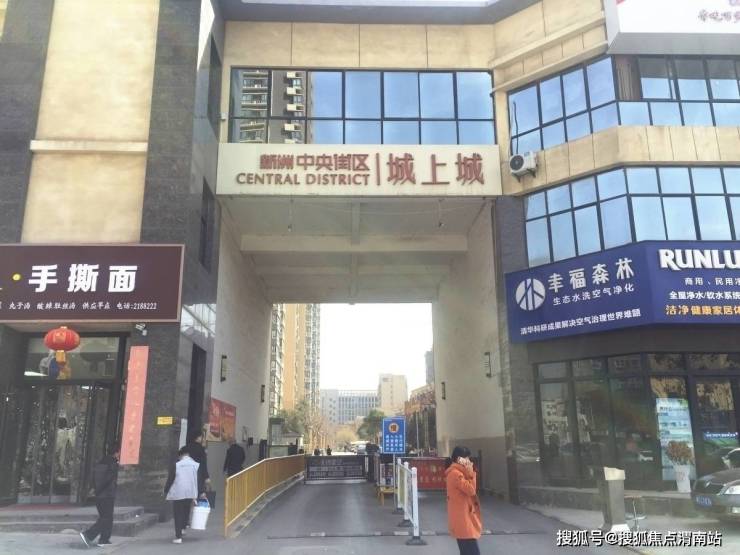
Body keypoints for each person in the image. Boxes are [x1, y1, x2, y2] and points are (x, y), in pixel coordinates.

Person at [80, 445, 119, 548]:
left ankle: (104, 539)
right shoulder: (113, 463)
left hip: (99, 496)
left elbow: (94, 479)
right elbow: (108, 480)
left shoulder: (100, 462)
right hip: (107, 494)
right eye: (118, 453)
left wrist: (95, 490)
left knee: (106, 517)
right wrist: (99, 490)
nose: (119, 455)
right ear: (116, 453)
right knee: (107, 517)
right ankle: (89, 535)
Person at [445, 446, 482, 555]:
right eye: (466, 458)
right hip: (463, 519)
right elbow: (471, 490)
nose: (469, 461)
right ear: (459, 459)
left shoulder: (458, 472)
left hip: (463, 518)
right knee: (472, 551)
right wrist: (471, 473)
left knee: (466, 551)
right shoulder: (456, 474)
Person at [164, 446, 200, 544]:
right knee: (186, 511)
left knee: (178, 513)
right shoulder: (195, 465)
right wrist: (199, 492)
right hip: (190, 491)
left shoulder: (177, 465)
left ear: (181, 455)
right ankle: (183, 529)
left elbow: (171, 479)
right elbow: (198, 479)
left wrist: (166, 490)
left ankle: (178, 537)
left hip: (179, 492)